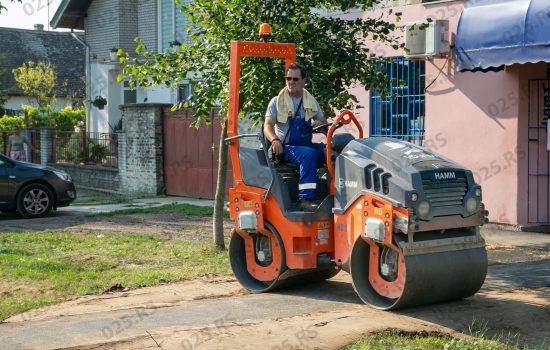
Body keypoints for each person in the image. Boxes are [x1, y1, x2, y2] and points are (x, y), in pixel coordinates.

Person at [264, 63, 327, 211]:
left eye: (295, 79)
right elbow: (267, 125)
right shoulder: (276, 101)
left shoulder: (310, 101)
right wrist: (274, 139)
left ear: (304, 81)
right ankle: (305, 199)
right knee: (309, 154)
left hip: (305, 145)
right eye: (288, 78)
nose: (291, 82)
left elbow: (323, 122)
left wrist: (320, 122)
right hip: (286, 148)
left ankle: (333, 192)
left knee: (332, 151)